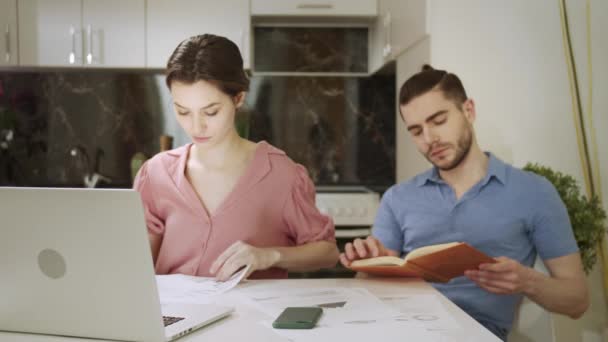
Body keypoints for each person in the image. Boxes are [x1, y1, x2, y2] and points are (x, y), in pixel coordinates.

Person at [339, 65, 588, 340]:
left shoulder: (534, 192)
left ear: (468, 110)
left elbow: (577, 301)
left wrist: (528, 281)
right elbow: (367, 289)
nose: (429, 139)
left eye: (438, 120)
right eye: (416, 130)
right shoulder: (398, 198)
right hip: (401, 330)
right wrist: (368, 267)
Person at [134, 34, 339, 281]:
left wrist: (269, 256)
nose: (196, 127)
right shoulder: (156, 173)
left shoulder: (280, 173)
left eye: (211, 112)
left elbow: (327, 252)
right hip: (175, 318)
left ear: (238, 98)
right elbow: (138, 266)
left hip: (251, 318)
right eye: (183, 111)